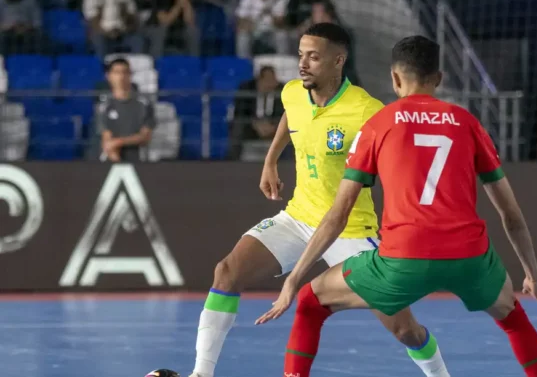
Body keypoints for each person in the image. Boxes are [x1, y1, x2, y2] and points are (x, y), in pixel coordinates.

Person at [256, 35, 537, 377]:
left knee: (311, 304)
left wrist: (294, 279)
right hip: (469, 257)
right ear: (439, 79)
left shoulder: (378, 124)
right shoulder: (467, 123)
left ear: (395, 79)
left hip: (403, 259)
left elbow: (338, 215)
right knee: (515, 320)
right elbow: (511, 216)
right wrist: (533, 274)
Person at [189, 23, 451, 377]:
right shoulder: (294, 92)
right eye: (300, 55)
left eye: (313, 57)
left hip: (351, 229)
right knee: (227, 272)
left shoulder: (366, 110)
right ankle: (200, 374)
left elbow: (402, 160)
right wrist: (270, 159)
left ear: (338, 61)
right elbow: (291, 116)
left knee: (403, 327)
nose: (303, 64)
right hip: (299, 217)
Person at [98, 58, 156, 162]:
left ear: (130, 75)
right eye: (116, 72)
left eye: (125, 72)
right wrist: (119, 164)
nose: (121, 77)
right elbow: (107, 140)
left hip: (140, 161)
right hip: (113, 160)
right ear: (108, 76)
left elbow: (145, 137)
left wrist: (120, 141)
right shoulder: (104, 106)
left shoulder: (144, 104)